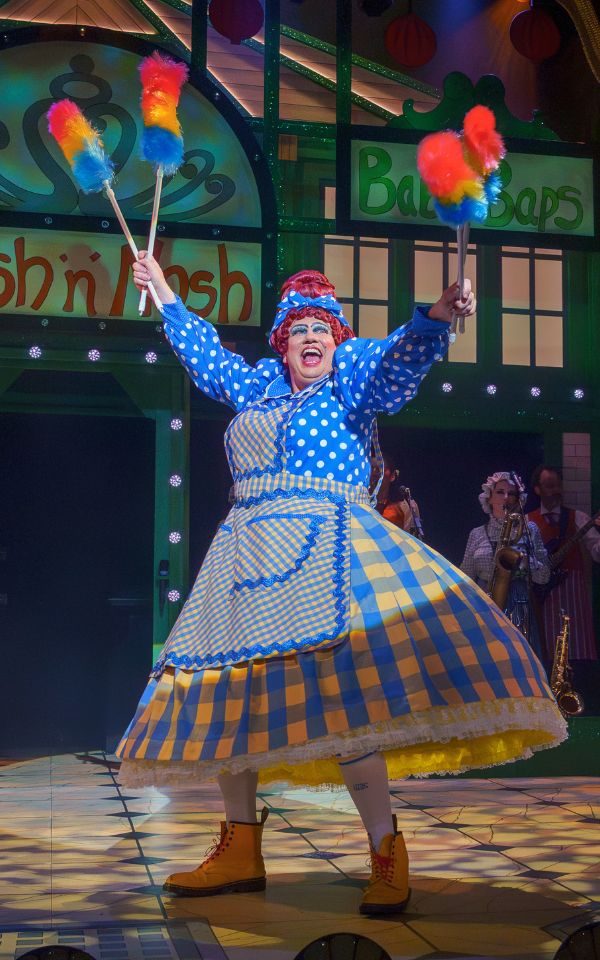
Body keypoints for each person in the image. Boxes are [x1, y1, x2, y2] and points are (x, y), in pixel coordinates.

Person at [117, 258, 566, 916]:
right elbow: (206, 357)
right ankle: (240, 846)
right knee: (230, 696)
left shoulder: (352, 382)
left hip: (328, 548)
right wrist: (164, 295)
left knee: (346, 700)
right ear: (281, 342)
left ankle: (386, 849)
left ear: (338, 340)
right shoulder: (259, 387)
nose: (311, 337)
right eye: (298, 328)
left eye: (322, 329)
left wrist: (436, 316)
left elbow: (395, 364)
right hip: (246, 555)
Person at [460, 471, 550, 660]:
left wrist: (525, 561)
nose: (506, 498)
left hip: (519, 604)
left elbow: (544, 576)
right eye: (500, 492)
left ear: (519, 499)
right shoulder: (476, 534)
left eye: (512, 493)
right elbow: (465, 577)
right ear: (489, 498)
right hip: (485, 604)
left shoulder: (530, 529)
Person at [528, 465, 600, 662]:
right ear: (537, 489)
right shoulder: (527, 521)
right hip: (541, 595)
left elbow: (596, 552)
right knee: (544, 651)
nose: (555, 490)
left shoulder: (579, 518)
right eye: (549, 485)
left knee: (576, 653)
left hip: (572, 592)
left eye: (557, 486)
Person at [373, 453, 423, 538]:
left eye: (379, 469)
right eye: (370, 469)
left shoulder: (403, 505)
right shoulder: (359, 501)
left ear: (392, 476)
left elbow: (409, 539)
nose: (373, 473)